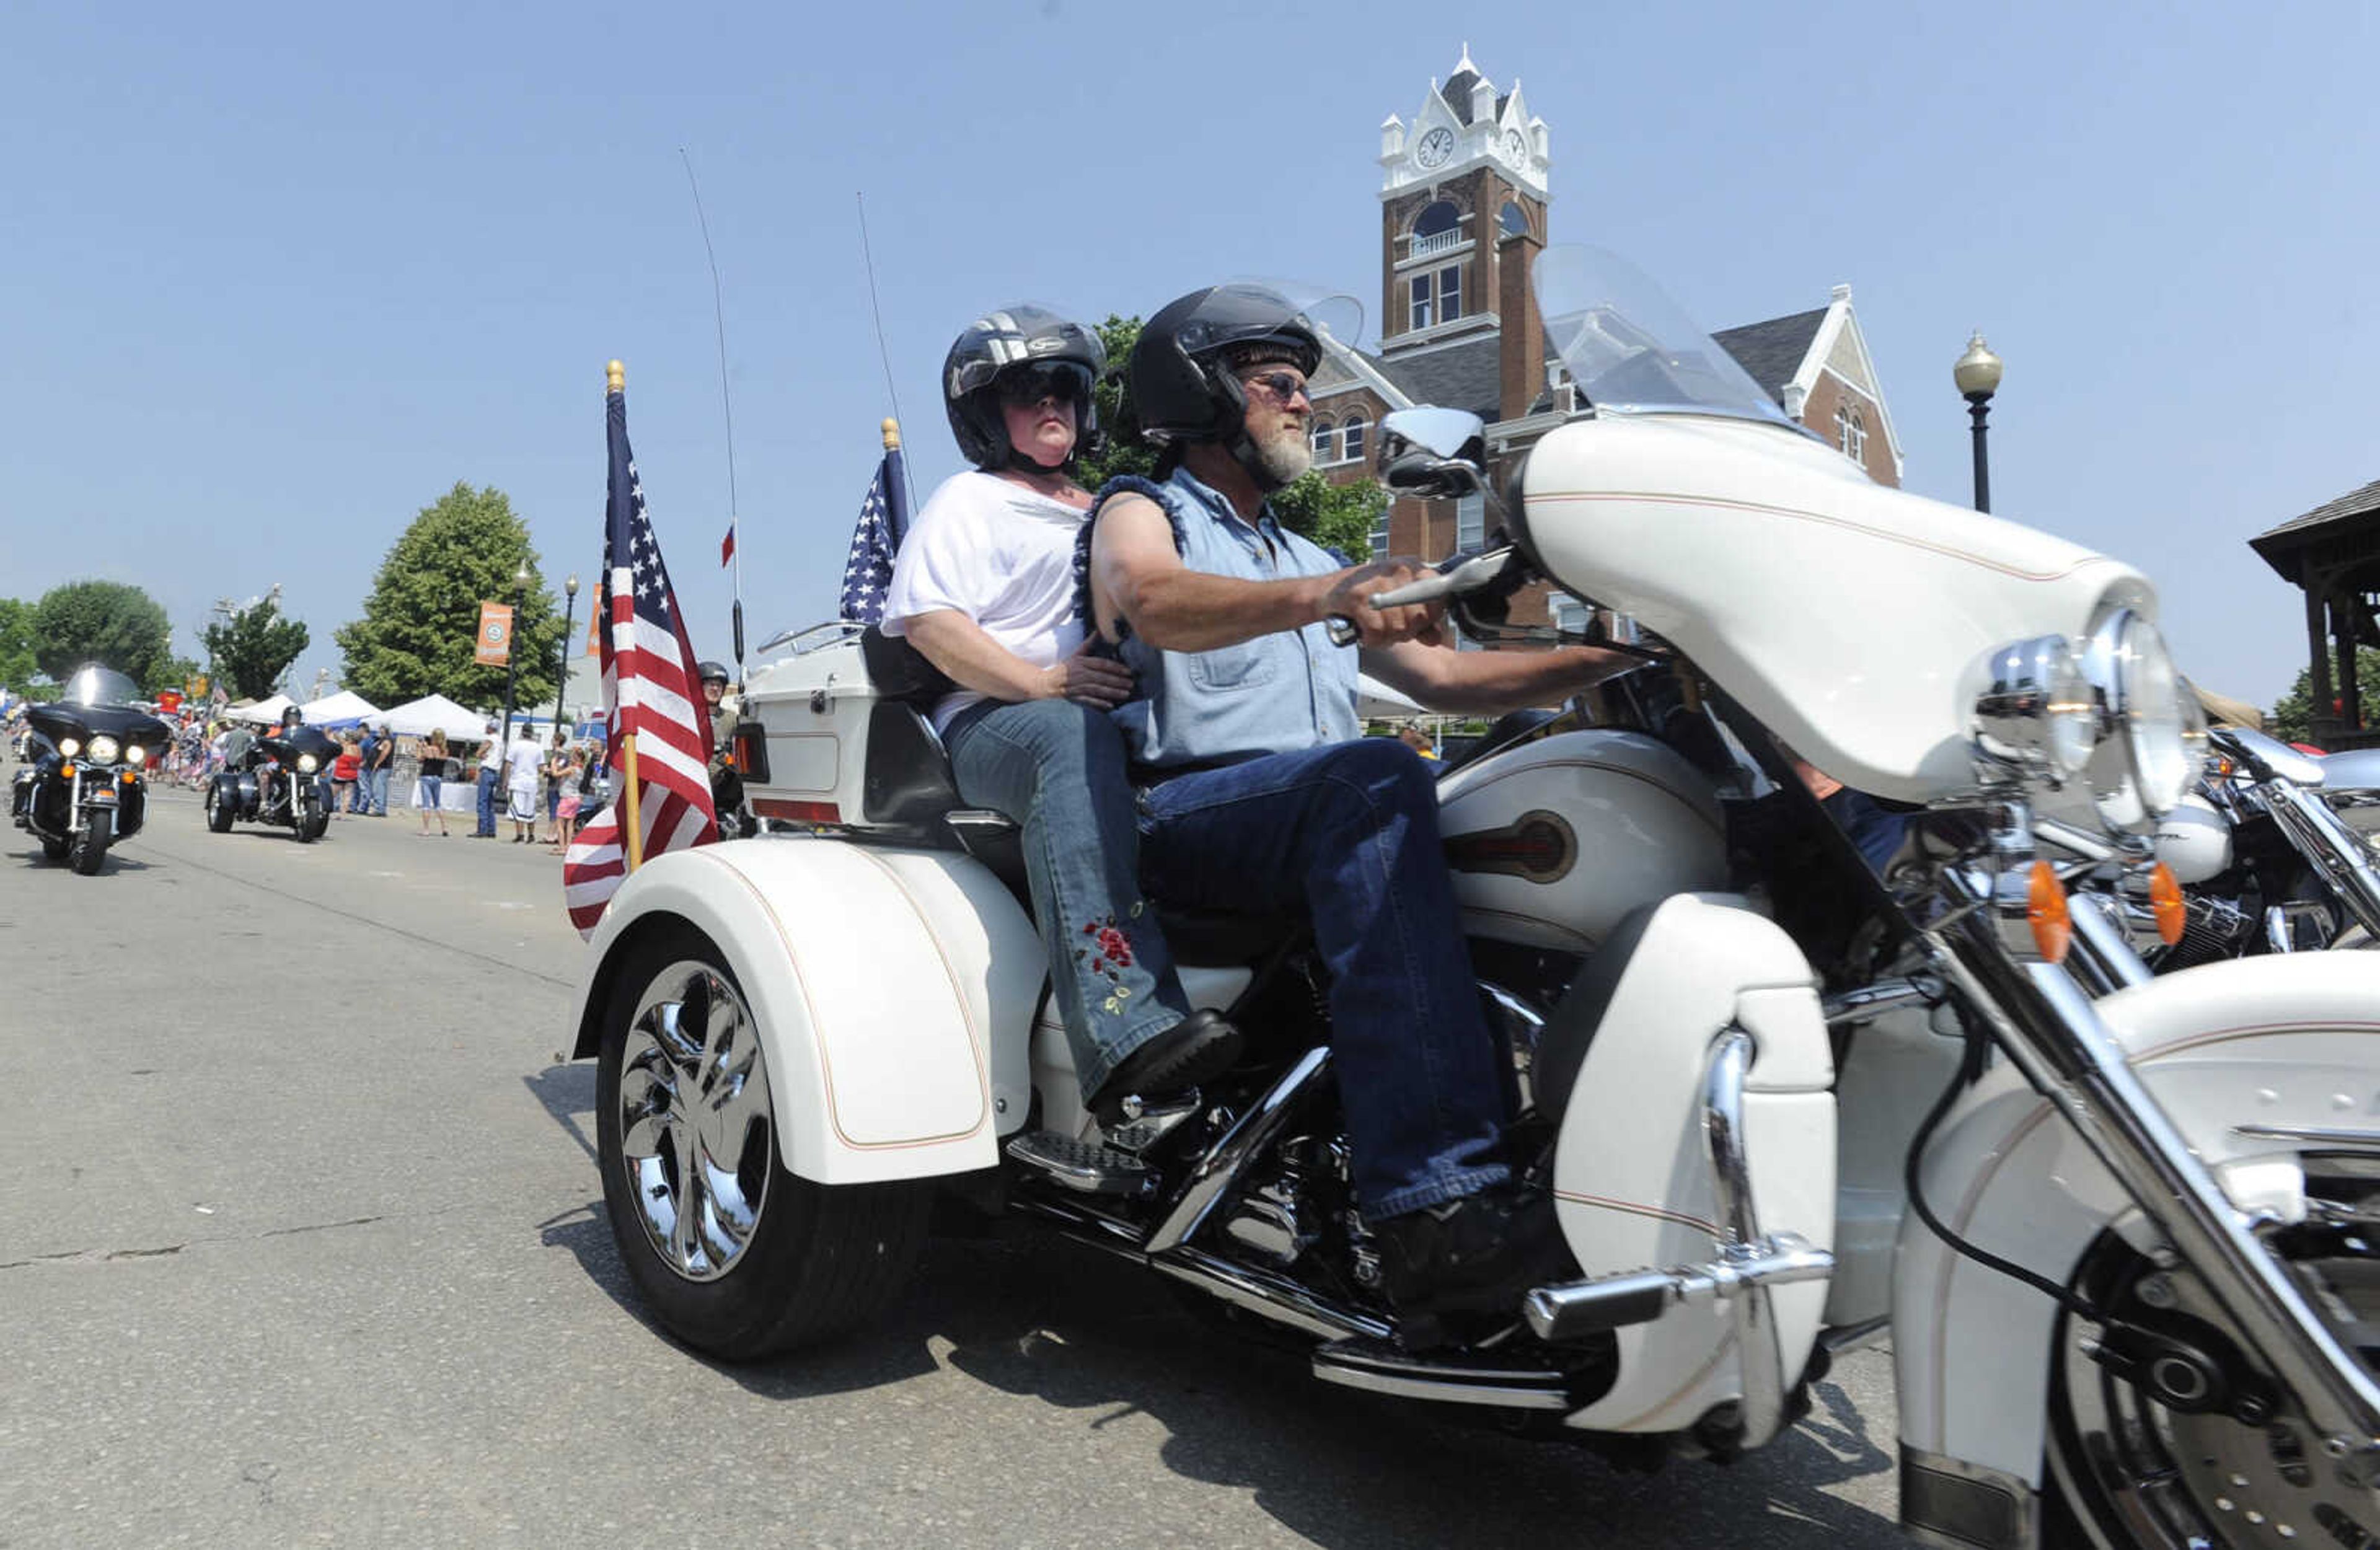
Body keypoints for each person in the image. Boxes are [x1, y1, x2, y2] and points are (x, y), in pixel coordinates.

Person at [1079, 284, 1631, 1318]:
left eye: (1303, 385)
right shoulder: (1142, 511)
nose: (1301, 401)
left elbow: (1452, 682)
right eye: (1277, 383)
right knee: (1377, 778)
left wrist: (1617, 657)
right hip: (1186, 817)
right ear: (1203, 395)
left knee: (1511, 790)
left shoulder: (1310, 553)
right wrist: (1324, 599)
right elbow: (1151, 598)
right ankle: (1435, 1211)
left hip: (1305, 809)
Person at [882, 302, 1238, 1122]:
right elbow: (935, 624)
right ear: (984, 414)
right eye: (1027, 391)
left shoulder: (1119, 503)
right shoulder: (970, 501)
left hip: (1121, 721)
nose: (1052, 407)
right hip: (1002, 722)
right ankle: (1123, 1033)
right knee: (1067, 738)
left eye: (1066, 390)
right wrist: (1039, 683)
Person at [503, 723, 544, 843]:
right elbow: (541, 767)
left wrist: (505, 780)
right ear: (532, 733)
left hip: (518, 780)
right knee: (530, 810)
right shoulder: (538, 747)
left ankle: (520, 834)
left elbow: (508, 764)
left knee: (518, 808)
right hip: (532, 781)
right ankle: (531, 835)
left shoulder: (516, 745)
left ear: (522, 732)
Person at [546, 741, 585, 853]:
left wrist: (554, 762)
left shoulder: (572, 769)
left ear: (577, 758)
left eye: (573, 756)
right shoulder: (581, 769)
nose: (571, 758)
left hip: (567, 798)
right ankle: (568, 846)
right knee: (570, 823)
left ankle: (562, 847)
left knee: (560, 824)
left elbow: (555, 774)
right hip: (576, 797)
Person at [415, 729, 452, 837]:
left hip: (427, 776)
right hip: (438, 778)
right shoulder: (445, 750)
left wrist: (419, 748)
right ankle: (444, 828)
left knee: (426, 804)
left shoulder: (429, 749)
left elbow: (419, 759)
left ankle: (426, 829)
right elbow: (440, 759)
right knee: (437, 804)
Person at [472, 720, 501, 837]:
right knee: (490, 802)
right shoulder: (500, 740)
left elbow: (478, 753)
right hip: (495, 772)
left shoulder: (491, 739)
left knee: (482, 802)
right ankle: (491, 829)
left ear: (491, 728)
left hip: (487, 771)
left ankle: (482, 829)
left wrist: (480, 753)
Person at [542, 731, 572, 843]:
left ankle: (552, 835)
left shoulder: (560, 754)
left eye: (553, 740)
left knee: (554, 810)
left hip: (556, 785)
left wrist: (547, 770)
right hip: (558, 784)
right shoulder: (563, 754)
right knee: (556, 810)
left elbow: (558, 768)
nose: (551, 742)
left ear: (558, 741)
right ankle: (554, 834)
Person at [363, 720, 394, 816]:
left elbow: (385, 753)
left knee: (379, 788)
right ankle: (381, 809)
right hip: (381, 768)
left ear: (385, 729)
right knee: (380, 788)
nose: (380, 729)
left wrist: (377, 763)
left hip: (383, 768)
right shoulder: (382, 740)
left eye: (381, 728)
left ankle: (379, 809)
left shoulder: (387, 740)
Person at [330, 734, 361, 817]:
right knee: (347, 795)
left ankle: (326, 810)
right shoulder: (359, 749)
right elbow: (359, 763)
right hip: (352, 775)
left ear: (350, 740)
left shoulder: (346, 747)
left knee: (332, 794)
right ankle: (343, 814)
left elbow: (337, 737)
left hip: (341, 774)